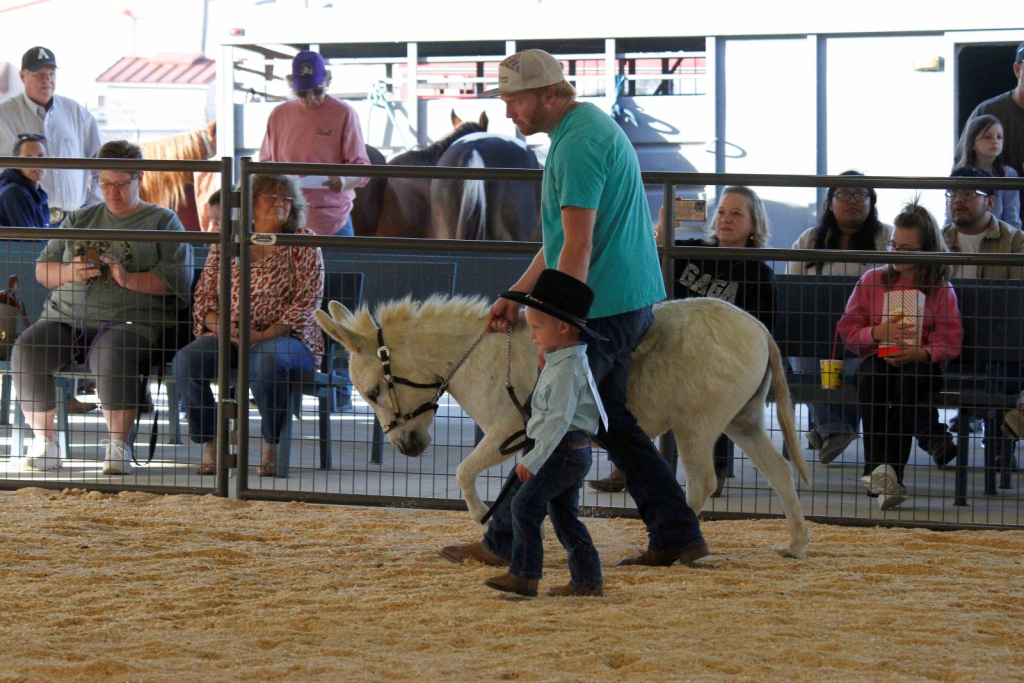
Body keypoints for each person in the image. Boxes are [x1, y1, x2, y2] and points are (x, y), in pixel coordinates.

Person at [441, 49, 708, 569]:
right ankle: (676, 532)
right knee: (611, 425)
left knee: (551, 415)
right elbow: (563, 238)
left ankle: (504, 541)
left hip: (599, 306)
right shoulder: (582, 131)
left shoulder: (578, 145)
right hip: (616, 300)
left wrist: (561, 324)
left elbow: (578, 245)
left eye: (514, 100)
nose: (507, 112)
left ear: (548, 94)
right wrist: (518, 294)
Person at [10, 140, 193, 473]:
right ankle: (45, 442)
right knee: (28, 349)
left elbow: (176, 283)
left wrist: (127, 279)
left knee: (111, 352)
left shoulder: (163, 222)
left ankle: (118, 446)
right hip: (67, 317)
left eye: (121, 184)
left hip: (132, 322)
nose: (113, 192)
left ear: (139, 179)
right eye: (106, 183)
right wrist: (70, 272)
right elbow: (42, 270)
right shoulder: (79, 219)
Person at [591, 186, 776, 497]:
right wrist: (666, 226)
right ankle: (627, 461)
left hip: (716, 358)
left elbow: (762, 329)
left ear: (754, 224)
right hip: (671, 349)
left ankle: (711, 468)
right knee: (629, 374)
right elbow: (650, 256)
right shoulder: (691, 250)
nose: (725, 220)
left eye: (736, 213)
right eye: (720, 212)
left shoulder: (759, 273)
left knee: (710, 386)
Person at [172, 174, 324, 477]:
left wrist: (263, 334)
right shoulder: (228, 242)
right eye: (271, 197)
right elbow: (203, 299)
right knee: (186, 361)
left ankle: (271, 446)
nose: (280, 203)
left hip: (289, 339)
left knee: (265, 359)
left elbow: (308, 303)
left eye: (286, 198)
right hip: (230, 334)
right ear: (249, 203)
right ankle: (212, 444)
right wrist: (225, 328)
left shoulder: (303, 242)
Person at [482, 269, 606, 598]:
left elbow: (559, 419)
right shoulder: (564, 359)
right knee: (565, 517)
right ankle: (587, 580)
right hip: (568, 451)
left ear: (563, 327)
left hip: (560, 451)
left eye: (537, 328)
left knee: (524, 507)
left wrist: (535, 458)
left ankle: (524, 576)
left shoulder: (566, 368)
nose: (533, 335)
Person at [837, 200, 963, 510]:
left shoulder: (940, 288)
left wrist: (921, 352)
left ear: (926, 251)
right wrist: (877, 334)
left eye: (906, 248)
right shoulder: (871, 281)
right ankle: (880, 472)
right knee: (872, 379)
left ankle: (888, 472)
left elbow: (950, 338)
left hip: (919, 364)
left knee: (908, 382)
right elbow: (849, 330)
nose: (895, 253)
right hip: (878, 357)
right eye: (893, 244)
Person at [787, 172, 894, 464]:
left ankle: (830, 429)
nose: (853, 201)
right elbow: (792, 293)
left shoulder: (887, 237)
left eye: (861, 195)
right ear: (829, 203)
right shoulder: (809, 239)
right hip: (816, 336)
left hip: (869, 336)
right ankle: (836, 428)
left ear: (872, 202)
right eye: (844, 195)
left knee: (864, 368)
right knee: (800, 360)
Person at [259, 51, 370, 236]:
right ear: (292, 87)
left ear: (327, 82)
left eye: (317, 91)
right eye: (302, 93)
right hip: (288, 215)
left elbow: (363, 167)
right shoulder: (278, 115)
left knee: (339, 264)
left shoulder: (344, 113)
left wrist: (343, 180)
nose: (310, 99)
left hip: (332, 217)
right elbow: (264, 165)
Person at [0, 47, 102, 225]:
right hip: (23, 220)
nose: (46, 80)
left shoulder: (77, 113)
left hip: (75, 220)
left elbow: (102, 163)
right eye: (39, 74)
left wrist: (92, 209)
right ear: (22, 76)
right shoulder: (4, 115)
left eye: (51, 74)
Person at [956, 43, 1024, 179]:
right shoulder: (988, 111)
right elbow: (962, 167)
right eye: (988, 137)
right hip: (995, 198)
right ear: (1017, 70)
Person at [943, 166, 1024, 279]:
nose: (958, 200)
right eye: (953, 194)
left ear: (989, 203)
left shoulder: (1016, 241)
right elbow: (914, 289)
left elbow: (1018, 293)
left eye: (968, 193)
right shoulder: (936, 240)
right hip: (946, 298)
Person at [949, 115, 1020, 229]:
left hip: (999, 236)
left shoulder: (1008, 174)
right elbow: (950, 213)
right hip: (964, 233)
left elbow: (1012, 215)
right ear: (972, 143)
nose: (995, 141)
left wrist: (1014, 241)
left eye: (999, 137)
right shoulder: (959, 173)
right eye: (987, 137)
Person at [0, 133, 49, 228]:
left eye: (40, 157)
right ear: (16, 163)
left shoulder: (38, 192)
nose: (36, 164)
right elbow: (29, 240)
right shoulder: (14, 193)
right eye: (29, 158)